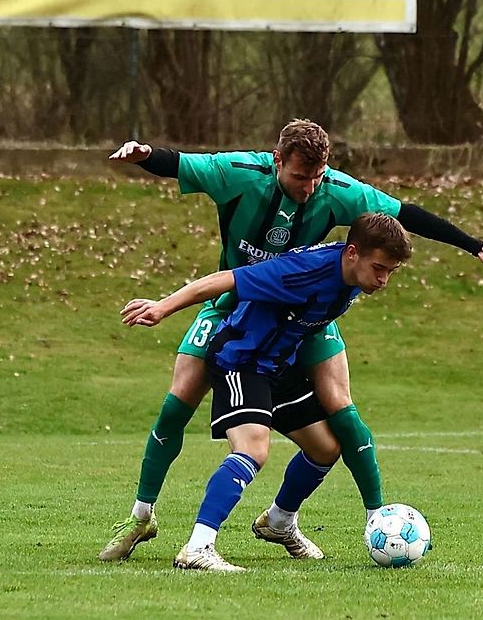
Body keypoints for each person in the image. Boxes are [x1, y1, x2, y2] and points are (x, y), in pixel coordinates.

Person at [100, 119, 483, 561]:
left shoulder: (340, 198)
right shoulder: (240, 173)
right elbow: (178, 164)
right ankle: (142, 515)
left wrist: (477, 247)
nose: (308, 187)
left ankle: (294, 519)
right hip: (238, 305)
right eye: (299, 177)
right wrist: (145, 155)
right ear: (277, 160)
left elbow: (406, 216)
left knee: (338, 419)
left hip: (307, 316)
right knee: (180, 399)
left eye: (317, 177)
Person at [121, 213, 413, 571]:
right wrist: (162, 307)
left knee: (325, 447)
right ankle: (198, 546)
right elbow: (224, 280)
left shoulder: (353, 273)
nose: (383, 279)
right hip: (240, 359)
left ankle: (278, 521)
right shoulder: (301, 271)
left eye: (391, 272)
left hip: (277, 365)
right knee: (253, 450)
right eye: (379, 268)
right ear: (352, 253)